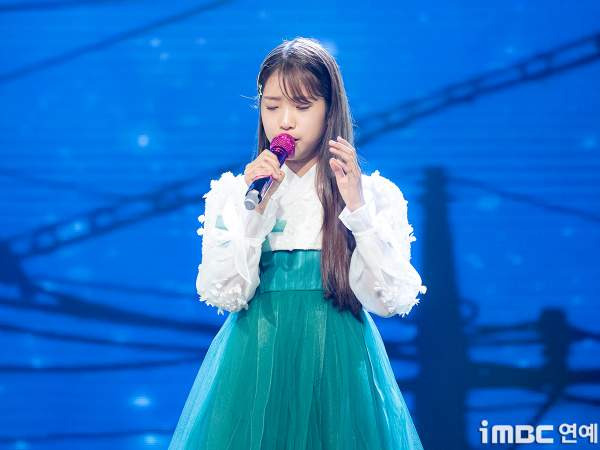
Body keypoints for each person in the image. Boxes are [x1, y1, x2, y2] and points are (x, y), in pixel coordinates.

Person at [168, 37, 427, 450]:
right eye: (272, 107)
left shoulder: (374, 195)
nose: (285, 122)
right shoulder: (236, 193)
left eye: (302, 107)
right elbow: (225, 293)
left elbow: (391, 299)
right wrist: (254, 214)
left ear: (330, 110)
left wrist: (357, 209)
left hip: (341, 367)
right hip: (254, 363)